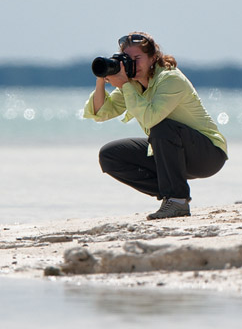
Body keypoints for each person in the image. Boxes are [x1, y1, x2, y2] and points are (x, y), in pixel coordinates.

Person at [83, 32, 227, 219]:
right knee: (110, 155)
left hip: (208, 155)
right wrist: (102, 77)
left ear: (153, 58)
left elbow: (152, 119)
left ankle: (178, 200)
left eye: (138, 58)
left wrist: (125, 85)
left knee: (161, 127)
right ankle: (170, 195)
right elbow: (100, 113)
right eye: (129, 59)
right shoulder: (134, 84)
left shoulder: (170, 79)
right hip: (171, 152)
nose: (133, 63)